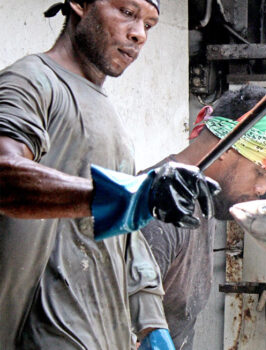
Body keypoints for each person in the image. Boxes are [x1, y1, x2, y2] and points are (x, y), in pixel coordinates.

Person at [0, 0, 219, 348]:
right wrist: (124, 195)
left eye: (149, 24)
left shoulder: (106, 111)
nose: (139, 34)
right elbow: (6, 176)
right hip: (47, 336)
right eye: (127, 12)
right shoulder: (31, 81)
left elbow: (124, 232)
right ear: (80, 5)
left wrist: (150, 320)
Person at [137, 84, 266, 350]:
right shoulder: (158, 211)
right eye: (259, 172)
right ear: (225, 148)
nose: (262, 189)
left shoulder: (203, 199)